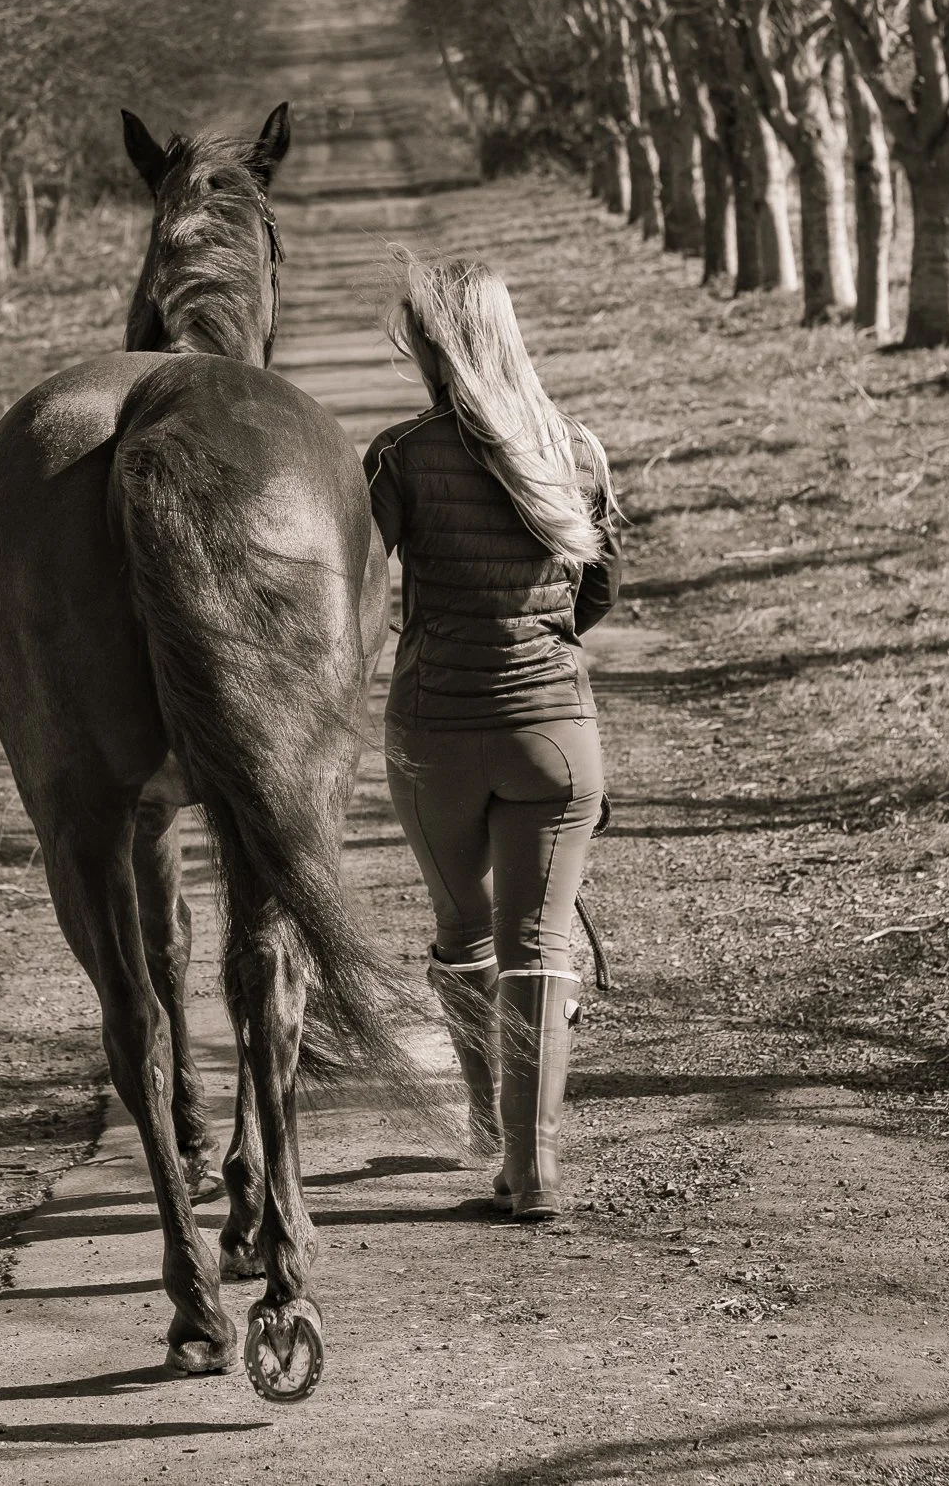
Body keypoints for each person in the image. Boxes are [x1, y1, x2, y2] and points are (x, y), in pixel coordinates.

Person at [364, 255, 619, 1222]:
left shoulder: (394, 457)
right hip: (553, 736)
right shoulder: (575, 449)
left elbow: (355, 588)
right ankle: (536, 1168)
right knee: (540, 944)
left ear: (432, 345)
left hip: (433, 733)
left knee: (465, 934)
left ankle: (487, 1132)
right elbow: (597, 594)